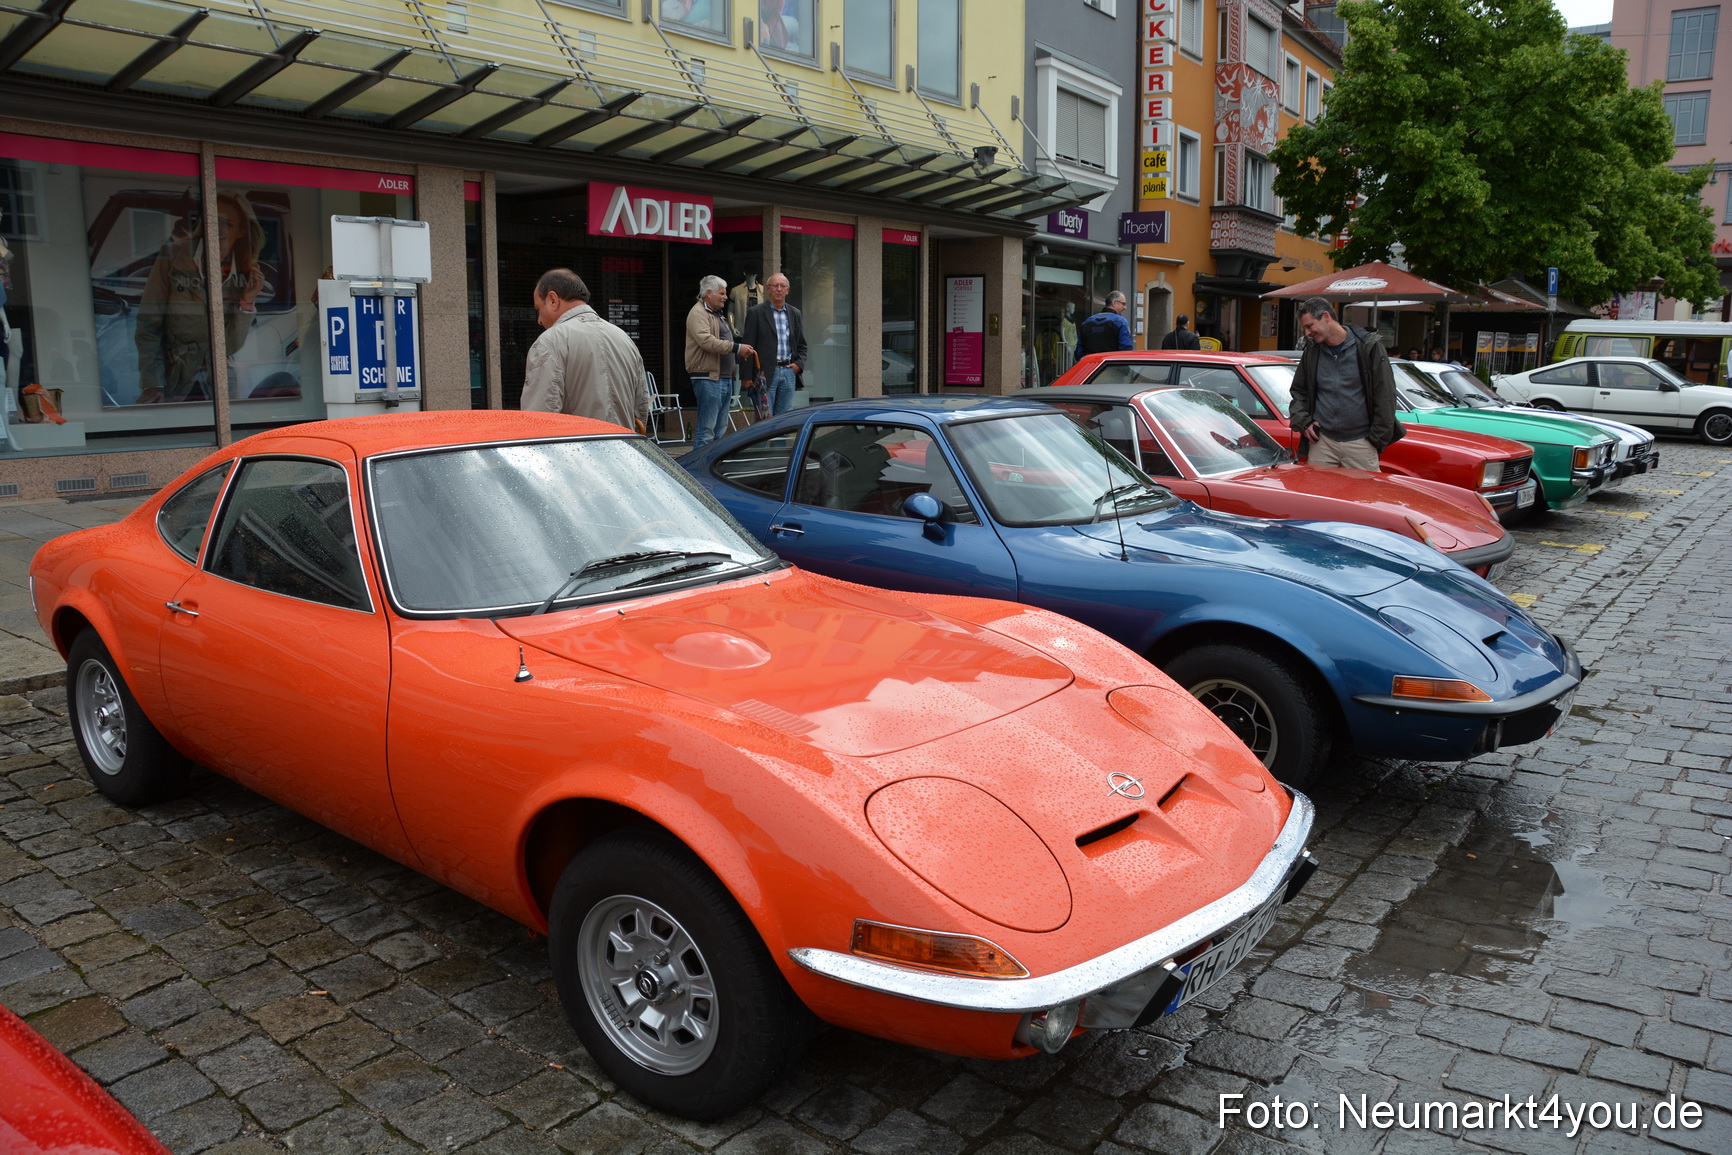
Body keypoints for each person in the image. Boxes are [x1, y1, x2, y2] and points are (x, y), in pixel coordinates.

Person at [135, 191, 262, 404]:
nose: (219, 228)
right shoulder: (173, 255)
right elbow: (149, 324)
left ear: (241, 231)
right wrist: (153, 383)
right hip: (175, 375)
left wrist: (246, 302)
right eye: (214, 220)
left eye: (228, 223)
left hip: (219, 381)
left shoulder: (245, 271)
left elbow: (229, 346)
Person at [520, 268, 649, 432]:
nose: (539, 319)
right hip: (623, 445)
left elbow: (538, 420)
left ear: (553, 300)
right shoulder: (624, 338)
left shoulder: (550, 341)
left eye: (538, 308)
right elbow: (641, 409)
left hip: (575, 447)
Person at [1289, 296, 1400, 470]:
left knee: (1363, 489)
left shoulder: (1368, 346)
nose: (1307, 333)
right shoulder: (1312, 350)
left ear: (1326, 316)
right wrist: (1304, 422)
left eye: (1309, 326)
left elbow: (1385, 395)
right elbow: (1298, 391)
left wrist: (1376, 438)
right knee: (1317, 488)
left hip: (1361, 442)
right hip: (1322, 442)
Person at [684, 274, 754, 449]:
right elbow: (706, 341)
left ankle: (712, 462)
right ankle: (700, 463)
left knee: (720, 429)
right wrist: (737, 348)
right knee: (707, 429)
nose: (725, 297)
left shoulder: (717, 314)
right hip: (708, 377)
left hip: (723, 378)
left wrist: (738, 353)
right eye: (722, 293)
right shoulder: (698, 313)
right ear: (709, 293)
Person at [741, 272, 807, 416]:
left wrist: (799, 364)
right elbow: (747, 347)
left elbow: (802, 345)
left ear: (787, 290)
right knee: (765, 418)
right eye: (775, 285)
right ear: (768, 289)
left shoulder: (795, 313)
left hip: (789, 372)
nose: (779, 289)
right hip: (764, 374)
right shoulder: (756, 313)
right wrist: (746, 376)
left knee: (784, 420)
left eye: (782, 286)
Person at [1074, 291, 1134, 360]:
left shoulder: (1087, 322)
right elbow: (1126, 351)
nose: (1125, 307)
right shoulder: (1120, 322)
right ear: (1114, 303)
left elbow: (1079, 352)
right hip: (1112, 365)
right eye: (1123, 304)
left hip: (1091, 365)